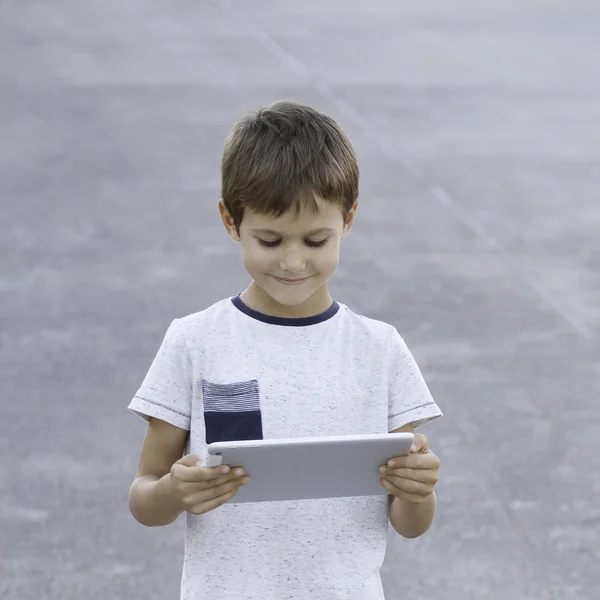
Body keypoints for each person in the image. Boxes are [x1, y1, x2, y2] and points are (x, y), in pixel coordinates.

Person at [127, 100, 443, 600]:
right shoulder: (195, 341)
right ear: (230, 221)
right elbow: (144, 497)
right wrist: (171, 491)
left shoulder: (378, 350)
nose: (293, 262)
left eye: (317, 240)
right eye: (269, 241)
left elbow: (409, 522)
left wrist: (418, 489)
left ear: (349, 220)